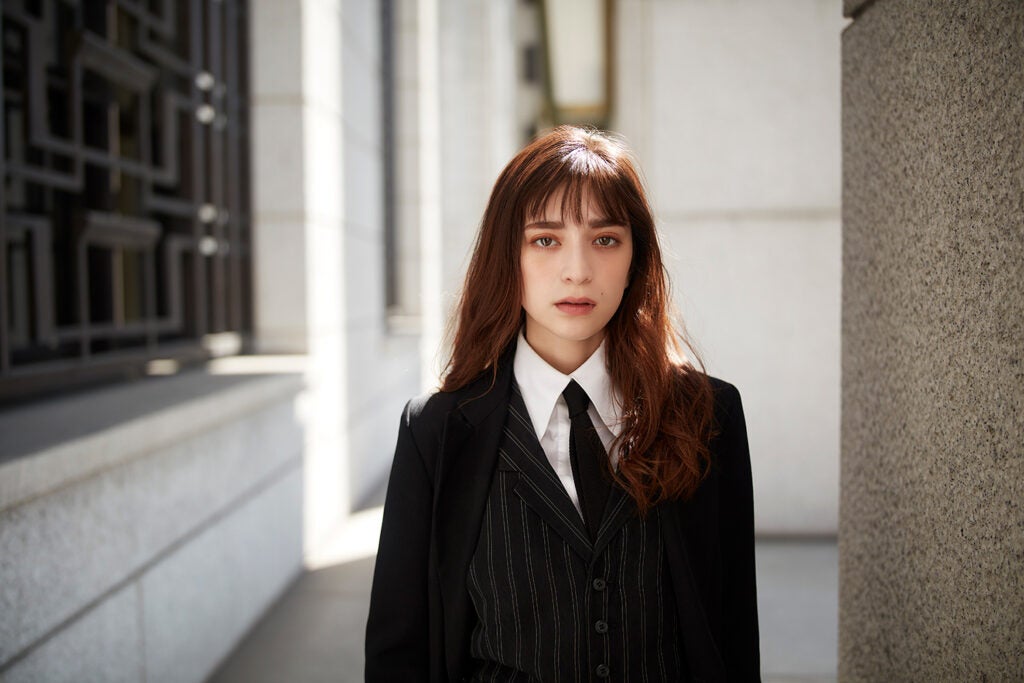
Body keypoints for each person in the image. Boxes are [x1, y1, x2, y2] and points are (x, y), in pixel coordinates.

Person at [365, 126, 759, 682]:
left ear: (634, 259)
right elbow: (399, 648)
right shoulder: (438, 429)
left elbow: (733, 630)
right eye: (545, 239)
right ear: (509, 258)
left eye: (605, 239)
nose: (578, 270)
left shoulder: (708, 413)